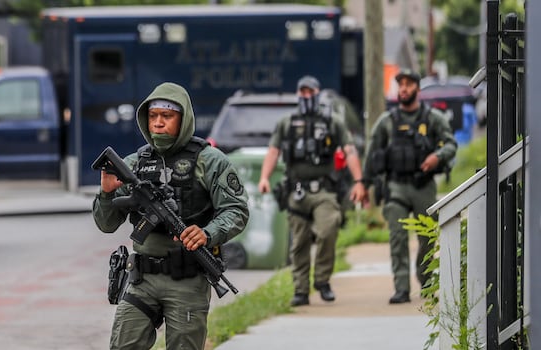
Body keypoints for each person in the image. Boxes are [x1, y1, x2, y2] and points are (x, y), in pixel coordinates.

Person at [92, 82, 249, 350]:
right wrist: (107, 194)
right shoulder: (133, 164)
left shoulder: (209, 161)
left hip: (187, 280)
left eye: (167, 116)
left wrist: (207, 233)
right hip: (142, 279)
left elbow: (236, 210)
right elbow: (106, 224)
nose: (158, 124)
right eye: (153, 116)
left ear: (184, 118)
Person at [258, 75, 367, 307]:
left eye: (310, 92)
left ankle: (322, 280)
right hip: (296, 190)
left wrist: (359, 181)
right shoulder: (287, 122)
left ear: (318, 93)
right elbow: (273, 151)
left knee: (329, 229)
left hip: (324, 190)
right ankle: (301, 290)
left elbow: (349, 150)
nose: (306, 96)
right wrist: (264, 178)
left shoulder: (332, 121)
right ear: (298, 94)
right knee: (299, 243)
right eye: (303, 92)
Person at [363, 69, 457, 304]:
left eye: (408, 84)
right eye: (400, 84)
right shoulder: (387, 121)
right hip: (395, 186)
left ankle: (425, 281)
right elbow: (372, 152)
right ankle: (401, 288)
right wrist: (363, 184)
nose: (403, 88)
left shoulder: (433, 118)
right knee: (397, 238)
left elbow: (451, 144)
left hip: (423, 187)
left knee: (427, 237)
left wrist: (438, 156)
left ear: (416, 88)